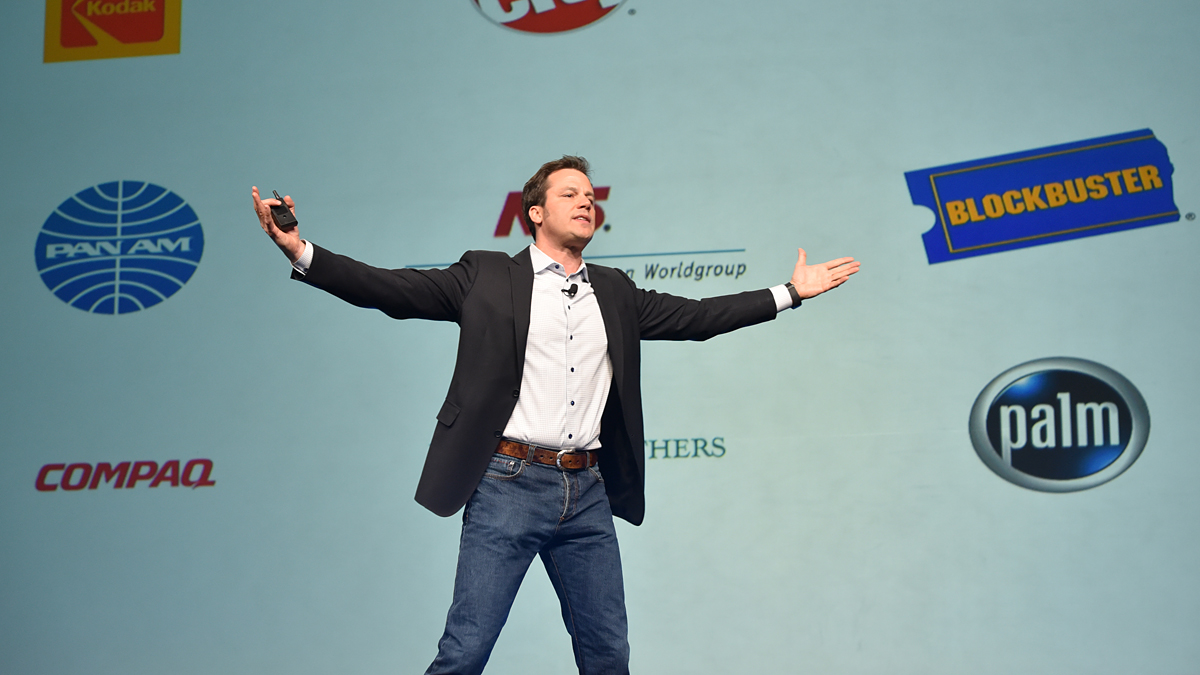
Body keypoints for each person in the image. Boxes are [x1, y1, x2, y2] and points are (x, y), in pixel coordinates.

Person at [251, 156, 859, 674]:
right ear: (535, 212)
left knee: (608, 656)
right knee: (465, 652)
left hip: (587, 492)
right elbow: (391, 289)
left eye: (590, 196)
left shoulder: (615, 290)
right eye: (570, 194)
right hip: (507, 485)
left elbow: (698, 318)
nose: (586, 202)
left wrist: (789, 293)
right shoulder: (486, 275)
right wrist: (300, 250)